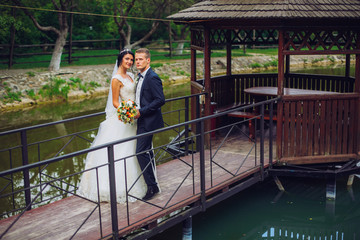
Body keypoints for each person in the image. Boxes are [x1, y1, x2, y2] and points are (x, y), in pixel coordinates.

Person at [78, 49, 147, 203]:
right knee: (118, 152)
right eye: (127, 59)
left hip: (134, 118)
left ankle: (136, 183)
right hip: (123, 119)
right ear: (120, 60)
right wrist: (127, 112)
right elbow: (115, 102)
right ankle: (112, 188)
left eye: (131, 60)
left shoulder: (130, 76)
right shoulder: (116, 79)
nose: (129, 62)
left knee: (132, 150)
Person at [134, 48, 165, 201]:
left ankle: (152, 187)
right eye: (136, 59)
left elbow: (160, 99)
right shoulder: (139, 76)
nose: (137, 62)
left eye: (140, 59)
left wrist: (142, 111)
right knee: (146, 152)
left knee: (140, 152)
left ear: (148, 61)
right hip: (141, 120)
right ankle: (154, 185)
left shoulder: (152, 77)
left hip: (148, 121)